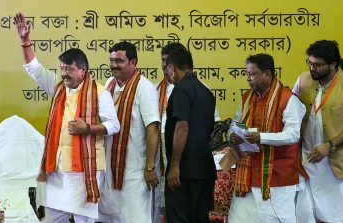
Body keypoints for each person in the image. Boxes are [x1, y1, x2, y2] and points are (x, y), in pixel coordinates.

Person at [14, 12, 119, 223]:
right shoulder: (59, 88)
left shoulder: (100, 92)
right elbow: (34, 70)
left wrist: (87, 128)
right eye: (62, 68)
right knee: (51, 219)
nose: (64, 73)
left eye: (69, 69)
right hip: (56, 169)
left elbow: (114, 125)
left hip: (84, 172)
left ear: (83, 70)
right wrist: (25, 42)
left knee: (83, 221)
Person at [225, 54, 305, 223]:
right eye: (247, 74)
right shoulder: (247, 98)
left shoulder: (288, 99)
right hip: (248, 174)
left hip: (277, 177)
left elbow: (293, 135)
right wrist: (232, 136)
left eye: (252, 74)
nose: (248, 79)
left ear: (267, 75)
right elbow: (235, 123)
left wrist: (260, 137)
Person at [294, 40, 343, 222]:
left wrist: (330, 145)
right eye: (309, 62)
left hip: (337, 166)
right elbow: (291, 109)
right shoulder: (302, 80)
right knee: (305, 214)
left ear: (333, 65)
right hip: (306, 161)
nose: (312, 68)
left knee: (336, 217)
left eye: (317, 65)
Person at [99, 42, 160, 223]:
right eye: (111, 60)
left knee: (135, 218)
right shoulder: (110, 84)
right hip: (111, 169)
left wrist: (149, 167)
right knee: (112, 218)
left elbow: (153, 128)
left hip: (136, 172)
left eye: (119, 60)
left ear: (132, 62)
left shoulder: (144, 87)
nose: (113, 65)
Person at [163, 48, 216, 223]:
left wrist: (174, 166)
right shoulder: (206, 92)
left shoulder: (180, 90)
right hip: (205, 170)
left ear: (172, 68)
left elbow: (182, 126)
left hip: (183, 172)